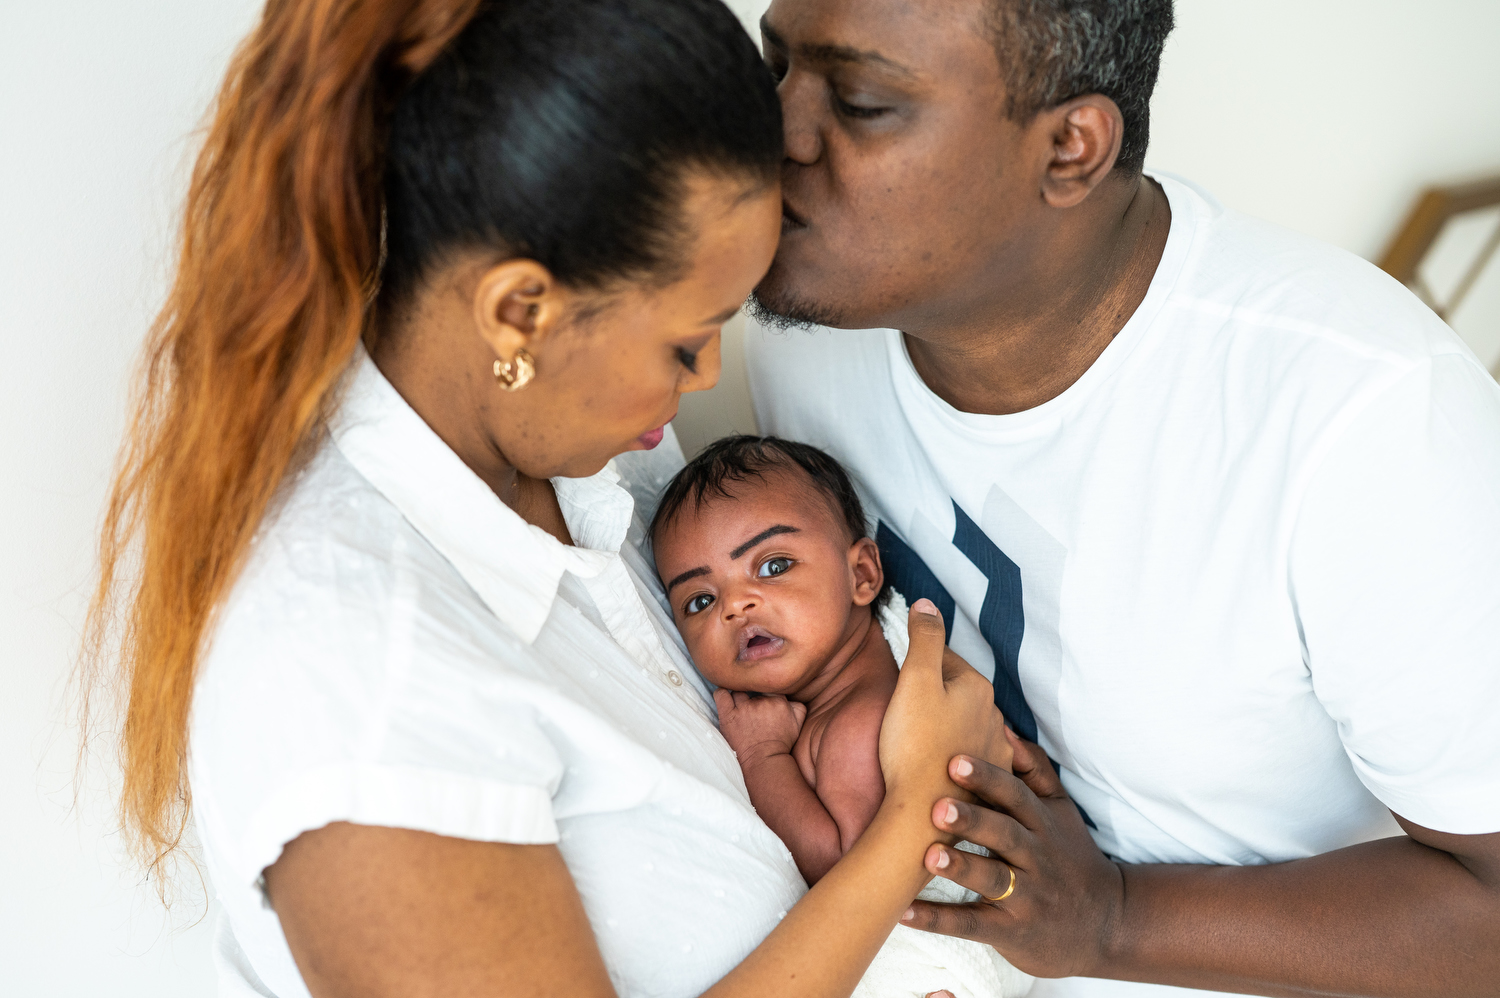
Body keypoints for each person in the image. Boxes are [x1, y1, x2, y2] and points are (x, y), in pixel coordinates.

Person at [81, 1, 1011, 996]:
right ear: (521, 312)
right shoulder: (364, 670)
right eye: (685, 341)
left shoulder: (591, 449)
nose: (704, 382)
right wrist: (919, 811)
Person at [738, 0, 1500, 995]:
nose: (777, 129)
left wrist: (1114, 918)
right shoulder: (815, 321)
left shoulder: (1367, 418)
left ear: (1070, 148)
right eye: (778, 63)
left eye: (864, 99)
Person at [650, 434, 1033, 998]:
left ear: (862, 576)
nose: (736, 604)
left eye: (773, 565)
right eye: (700, 601)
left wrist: (763, 758)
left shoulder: (863, 721)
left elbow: (851, 871)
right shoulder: (850, 690)